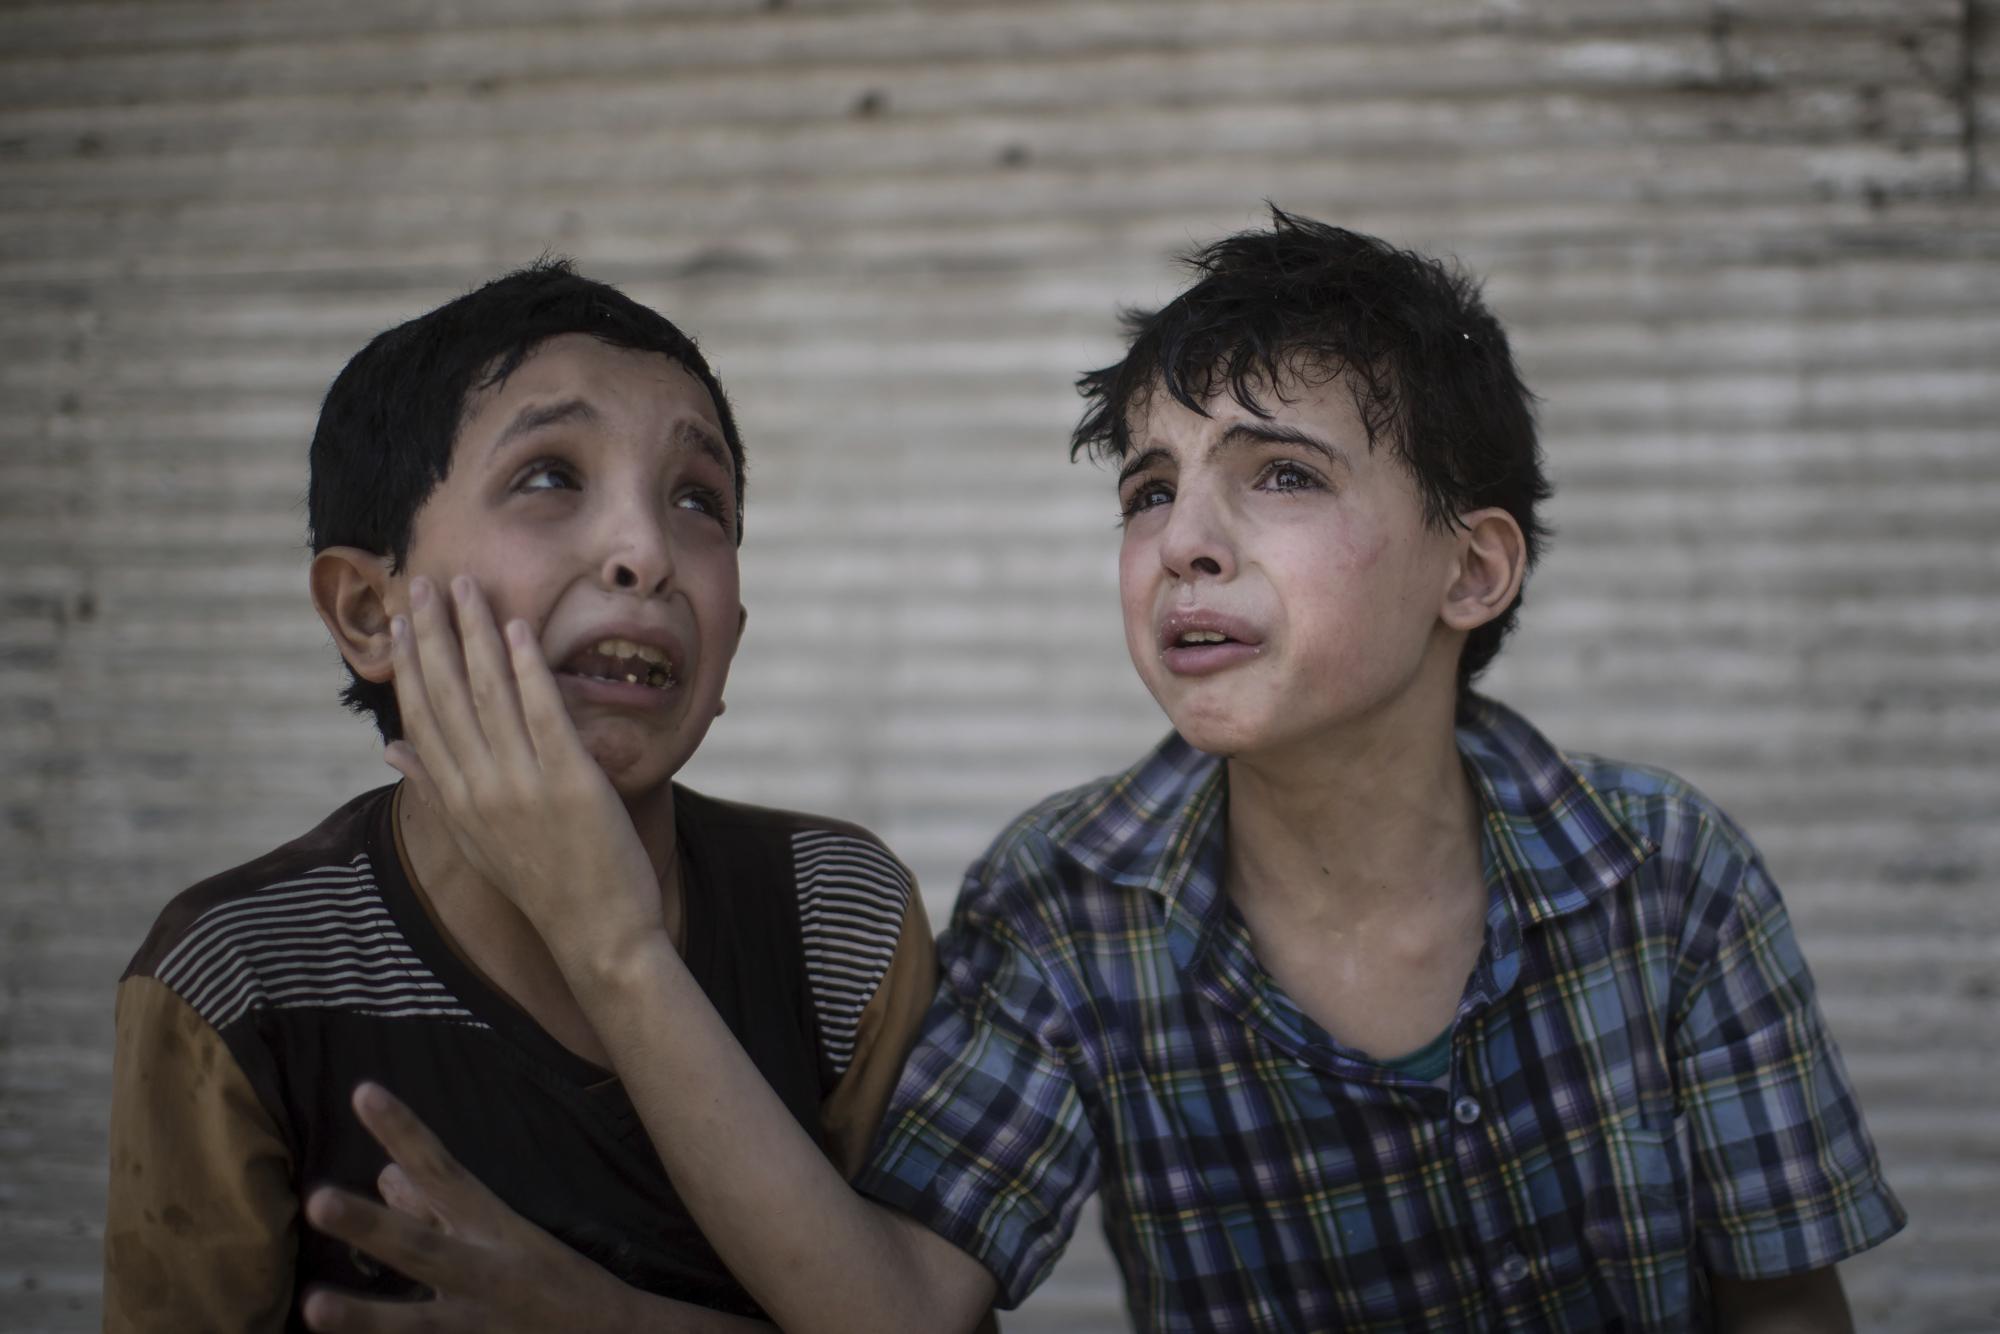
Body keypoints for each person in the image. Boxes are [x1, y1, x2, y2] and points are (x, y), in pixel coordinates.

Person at [302, 213, 1905, 1333]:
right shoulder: (1068, 907)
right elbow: (902, 1304)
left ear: (1468, 570)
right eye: (1150, 490)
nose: (1186, 540)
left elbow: (1783, 1299)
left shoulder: (1666, 871)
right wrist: (611, 937)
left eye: (1279, 475)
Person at [102, 262, 940, 1331]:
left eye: (699, 499)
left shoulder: (838, 916)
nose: (645, 552)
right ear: (367, 609)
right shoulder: (238, 973)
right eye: (549, 475)